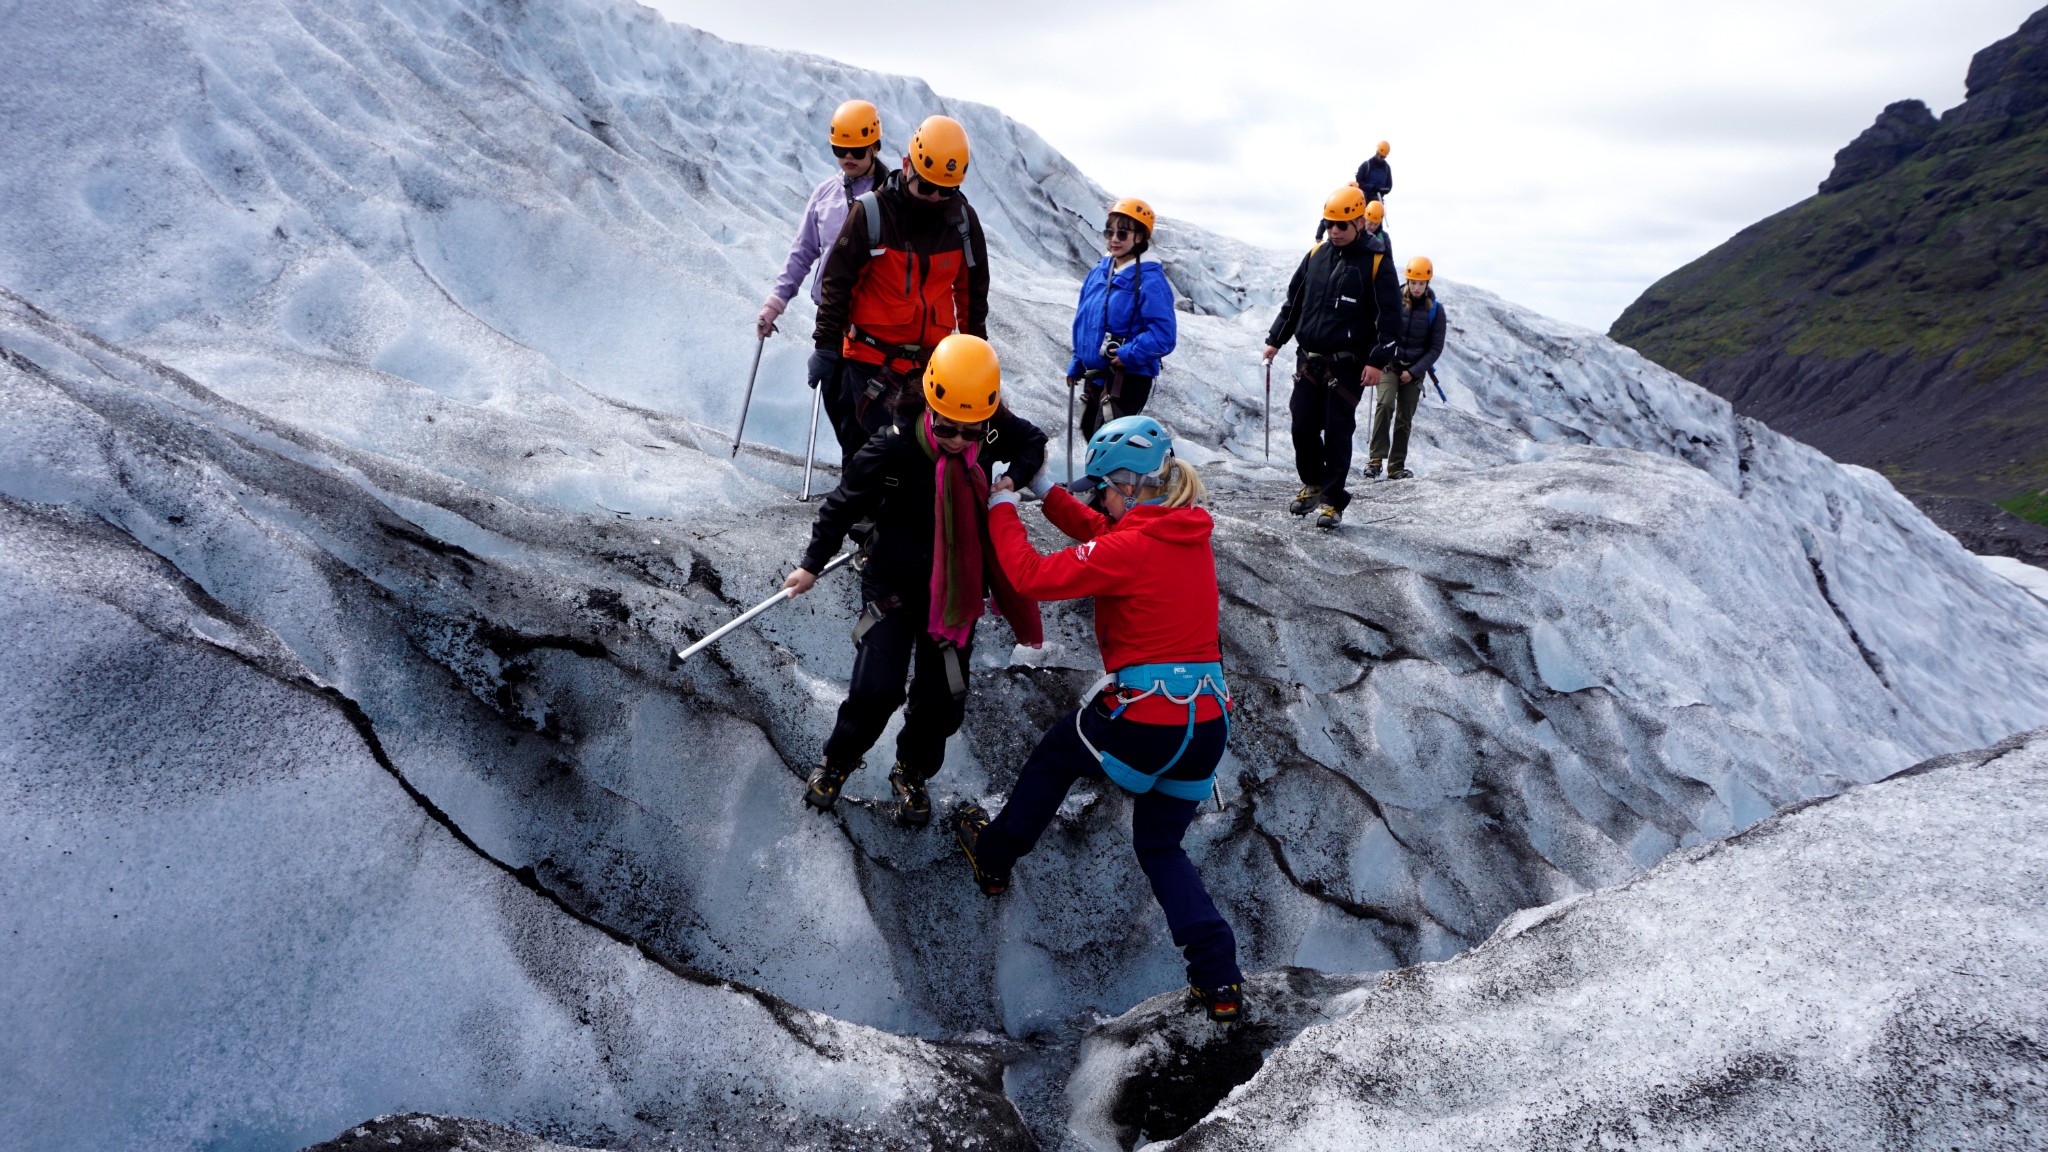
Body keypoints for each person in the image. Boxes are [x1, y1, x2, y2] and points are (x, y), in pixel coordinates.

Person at [955, 415, 1245, 1024]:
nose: (1099, 498)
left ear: (1131, 485)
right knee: (1161, 844)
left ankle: (994, 856)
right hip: (1206, 725)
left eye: (1103, 487)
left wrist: (1002, 507)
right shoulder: (1185, 531)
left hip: (1146, 718)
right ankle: (1218, 978)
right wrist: (1041, 488)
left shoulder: (1131, 546)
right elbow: (1103, 531)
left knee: (1059, 753)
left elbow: (1030, 577)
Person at [783, 334, 1046, 827]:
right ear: (930, 402)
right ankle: (837, 761)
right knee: (877, 688)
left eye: (972, 431)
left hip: (956, 593)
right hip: (894, 588)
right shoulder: (894, 443)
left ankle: (912, 770)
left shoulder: (989, 430)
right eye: (949, 428)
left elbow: (1032, 442)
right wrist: (811, 564)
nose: (960, 440)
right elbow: (842, 504)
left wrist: (1012, 479)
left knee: (941, 697)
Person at [811, 115, 990, 462]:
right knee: (868, 454)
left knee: (921, 457)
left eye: (946, 190)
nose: (935, 197)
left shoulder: (963, 223)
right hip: (869, 361)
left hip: (930, 365)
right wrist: (825, 346)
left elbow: (972, 292)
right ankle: (861, 516)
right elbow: (838, 282)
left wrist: (974, 357)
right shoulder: (872, 213)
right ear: (907, 165)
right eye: (926, 187)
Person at [1262, 186, 1398, 529]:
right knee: (1302, 424)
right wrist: (1275, 339)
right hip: (1309, 359)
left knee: (1338, 430)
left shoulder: (1377, 262)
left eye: (1341, 226)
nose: (1334, 231)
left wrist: (1376, 360)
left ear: (1357, 222)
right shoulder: (1315, 256)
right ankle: (1313, 482)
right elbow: (1294, 303)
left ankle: (1332, 501)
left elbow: (1389, 317)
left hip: (1348, 365)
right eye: (1329, 225)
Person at [757, 99, 887, 342]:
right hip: (830, 316)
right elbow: (803, 250)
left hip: (878, 322)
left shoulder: (891, 195)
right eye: (840, 150)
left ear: (875, 148)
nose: (848, 157)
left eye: (857, 151)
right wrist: (776, 302)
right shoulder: (825, 194)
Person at [1069, 198, 1178, 441]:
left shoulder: (1151, 281)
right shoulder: (1099, 271)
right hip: (1096, 374)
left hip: (1127, 379)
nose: (1114, 238)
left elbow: (1163, 335)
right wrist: (1078, 360)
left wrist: (1129, 353)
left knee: (1109, 444)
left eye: (1122, 233)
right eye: (1109, 231)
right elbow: (1085, 321)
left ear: (1139, 237)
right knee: (1091, 434)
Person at [1368, 257, 1447, 481]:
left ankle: (1396, 466)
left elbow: (1435, 347)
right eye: (1413, 282)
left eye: (1421, 283)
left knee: (1405, 417)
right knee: (1385, 404)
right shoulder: (1393, 301)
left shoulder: (1436, 311)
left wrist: (1413, 372)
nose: (1416, 287)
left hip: (1414, 370)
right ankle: (1375, 460)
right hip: (1389, 365)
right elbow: (1379, 329)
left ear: (1427, 283)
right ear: (1408, 280)